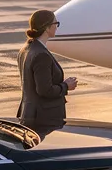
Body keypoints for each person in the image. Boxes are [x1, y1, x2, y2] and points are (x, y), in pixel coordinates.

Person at [17, 9, 76, 138]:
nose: (56, 27)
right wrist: (66, 86)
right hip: (44, 120)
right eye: (56, 23)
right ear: (47, 27)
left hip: (29, 114)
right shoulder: (41, 55)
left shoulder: (26, 49)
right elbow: (44, 90)